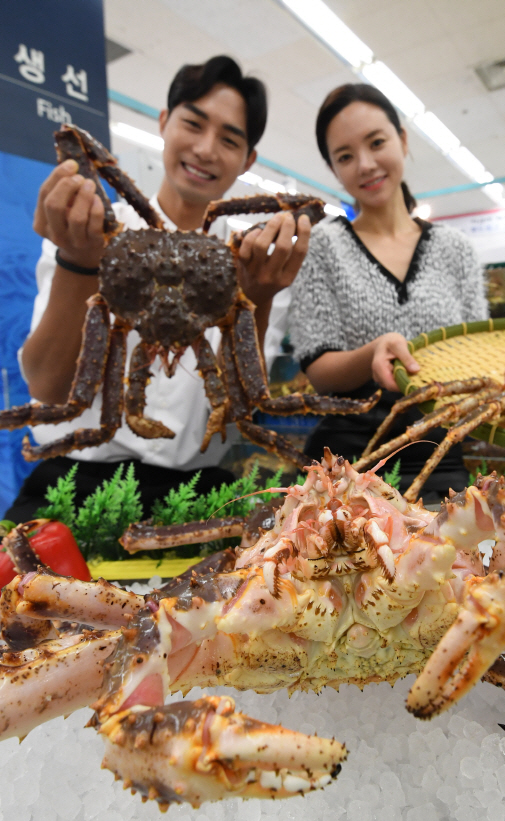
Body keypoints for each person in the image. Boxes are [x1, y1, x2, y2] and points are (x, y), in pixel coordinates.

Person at [6, 55, 312, 523]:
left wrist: (259, 299)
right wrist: (78, 263)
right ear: (165, 122)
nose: (207, 149)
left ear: (248, 159)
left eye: (229, 139)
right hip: (70, 484)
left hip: (194, 493)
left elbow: (236, 418)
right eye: (193, 123)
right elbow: (47, 388)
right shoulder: (94, 231)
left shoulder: (251, 260)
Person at [288, 83, 505, 500]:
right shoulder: (322, 245)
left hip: (439, 449)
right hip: (347, 455)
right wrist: (371, 352)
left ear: (403, 139)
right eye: (345, 156)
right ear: (333, 169)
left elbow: (484, 359)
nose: (366, 164)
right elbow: (317, 369)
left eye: (377, 142)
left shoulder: (454, 248)